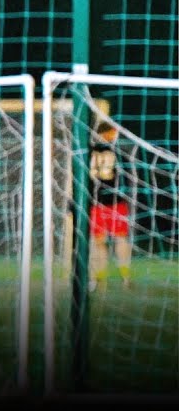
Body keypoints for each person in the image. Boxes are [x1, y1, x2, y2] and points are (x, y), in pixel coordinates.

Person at [88, 123, 132, 291]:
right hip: (115, 202)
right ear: (109, 133)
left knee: (98, 242)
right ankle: (125, 277)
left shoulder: (88, 150)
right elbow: (126, 177)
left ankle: (98, 278)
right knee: (120, 239)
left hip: (96, 202)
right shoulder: (118, 152)